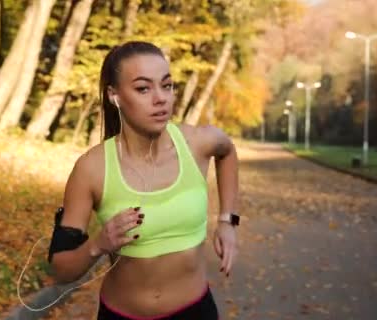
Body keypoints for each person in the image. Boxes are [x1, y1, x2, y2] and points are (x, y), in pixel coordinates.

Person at [48, 41, 240, 320]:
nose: (161, 98)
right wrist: (98, 245)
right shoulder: (91, 169)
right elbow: (60, 270)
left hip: (196, 312)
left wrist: (227, 221)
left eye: (167, 85)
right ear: (114, 96)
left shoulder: (196, 143)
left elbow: (228, 151)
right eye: (143, 88)